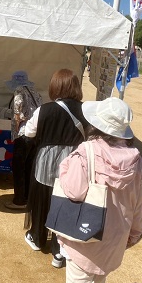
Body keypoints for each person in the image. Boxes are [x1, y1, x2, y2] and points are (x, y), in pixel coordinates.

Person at [57, 97, 142, 283]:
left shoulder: (87, 151)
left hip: (84, 238)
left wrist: (65, 166)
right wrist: (134, 232)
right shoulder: (135, 159)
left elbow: (74, 191)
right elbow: (136, 200)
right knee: (99, 282)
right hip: (114, 238)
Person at [24, 69, 88, 268]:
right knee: (67, 205)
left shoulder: (45, 109)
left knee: (42, 201)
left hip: (46, 163)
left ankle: (37, 238)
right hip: (74, 165)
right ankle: (59, 252)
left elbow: (29, 132)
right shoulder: (86, 110)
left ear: (55, 87)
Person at [4, 71, 42, 210]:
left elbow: (17, 114)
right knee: (29, 167)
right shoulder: (35, 92)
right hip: (35, 134)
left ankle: (19, 200)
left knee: (19, 168)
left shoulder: (19, 91)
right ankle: (27, 197)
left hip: (23, 134)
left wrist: (17, 125)